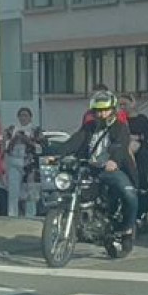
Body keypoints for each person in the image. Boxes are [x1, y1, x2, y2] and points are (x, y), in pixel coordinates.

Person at [61, 90, 137, 236]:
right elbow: (75, 141)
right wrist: (57, 153)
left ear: (113, 110)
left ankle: (127, 228)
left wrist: (113, 161)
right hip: (89, 169)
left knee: (130, 196)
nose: (101, 114)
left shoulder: (120, 127)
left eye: (105, 110)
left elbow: (121, 145)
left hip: (112, 170)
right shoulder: (89, 126)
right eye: (98, 110)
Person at [2, 107, 45, 217]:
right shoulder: (12, 129)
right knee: (13, 191)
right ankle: (12, 214)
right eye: (21, 115)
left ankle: (30, 215)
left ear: (30, 117)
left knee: (31, 191)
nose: (23, 118)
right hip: (14, 162)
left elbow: (41, 147)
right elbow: (5, 146)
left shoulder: (36, 130)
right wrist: (14, 139)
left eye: (26, 115)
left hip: (29, 164)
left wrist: (28, 141)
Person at [119, 93, 148, 189]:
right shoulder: (119, 119)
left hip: (142, 148)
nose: (123, 107)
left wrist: (138, 137)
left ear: (132, 104)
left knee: (143, 157)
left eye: (125, 104)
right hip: (123, 147)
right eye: (120, 105)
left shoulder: (141, 119)